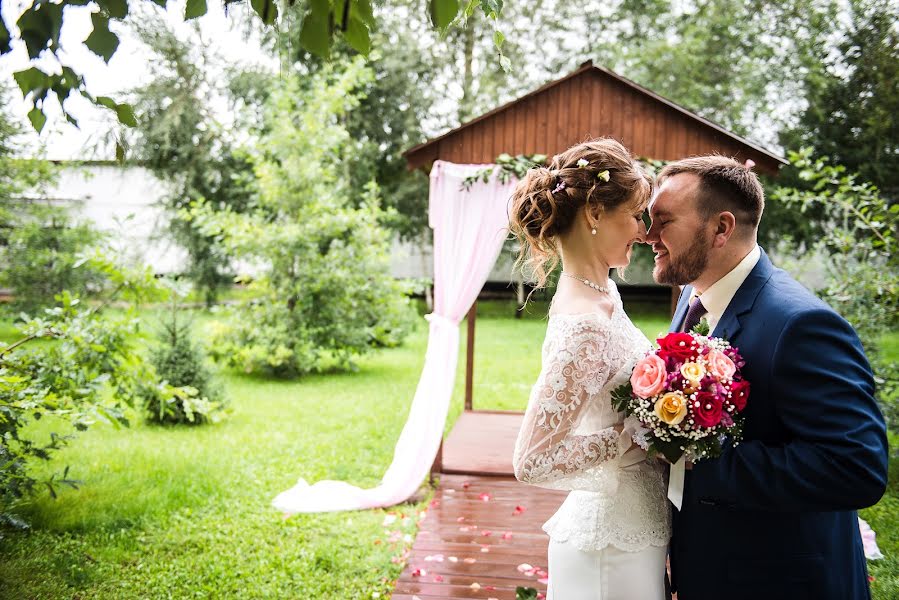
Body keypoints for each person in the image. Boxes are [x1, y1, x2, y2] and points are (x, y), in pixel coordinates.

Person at [646, 155, 888, 600]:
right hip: (711, 565)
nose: (648, 236)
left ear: (721, 228)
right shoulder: (691, 297)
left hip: (780, 580)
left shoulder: (801, 324)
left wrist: (699, 460)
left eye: (663, 221)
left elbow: (857, 467)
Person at [511, 139, 671, 600]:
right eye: (637, 214)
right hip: (607, 550)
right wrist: (631, 434)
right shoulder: (584, 324)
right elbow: (532, 460)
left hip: (630, 529)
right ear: (596, 212)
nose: (643, 231)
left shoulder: (602, 292)